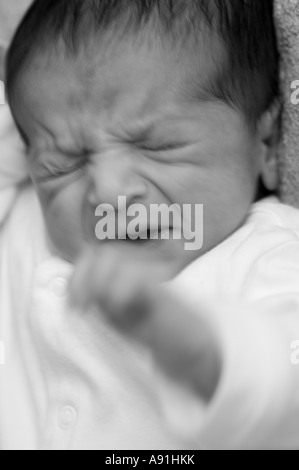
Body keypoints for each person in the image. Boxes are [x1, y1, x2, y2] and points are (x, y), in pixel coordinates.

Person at [1, 0, 298, 450]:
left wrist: (190, 343)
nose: (109, 192)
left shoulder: (271, 253)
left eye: (156, 145)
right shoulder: (24, 216)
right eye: (64, 163)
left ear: (267, 145)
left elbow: (285, 396)